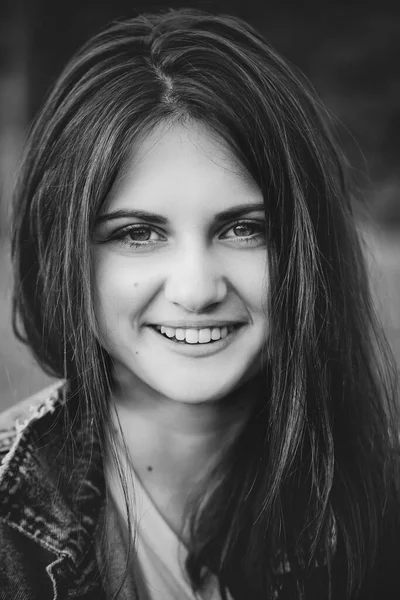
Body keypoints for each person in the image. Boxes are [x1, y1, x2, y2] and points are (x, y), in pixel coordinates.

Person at [0, 8, 399, 600]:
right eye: (137, 234)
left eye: (245, 229)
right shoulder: (11, 527)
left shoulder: (378, 501)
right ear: (64, 257)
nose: (196, 289)